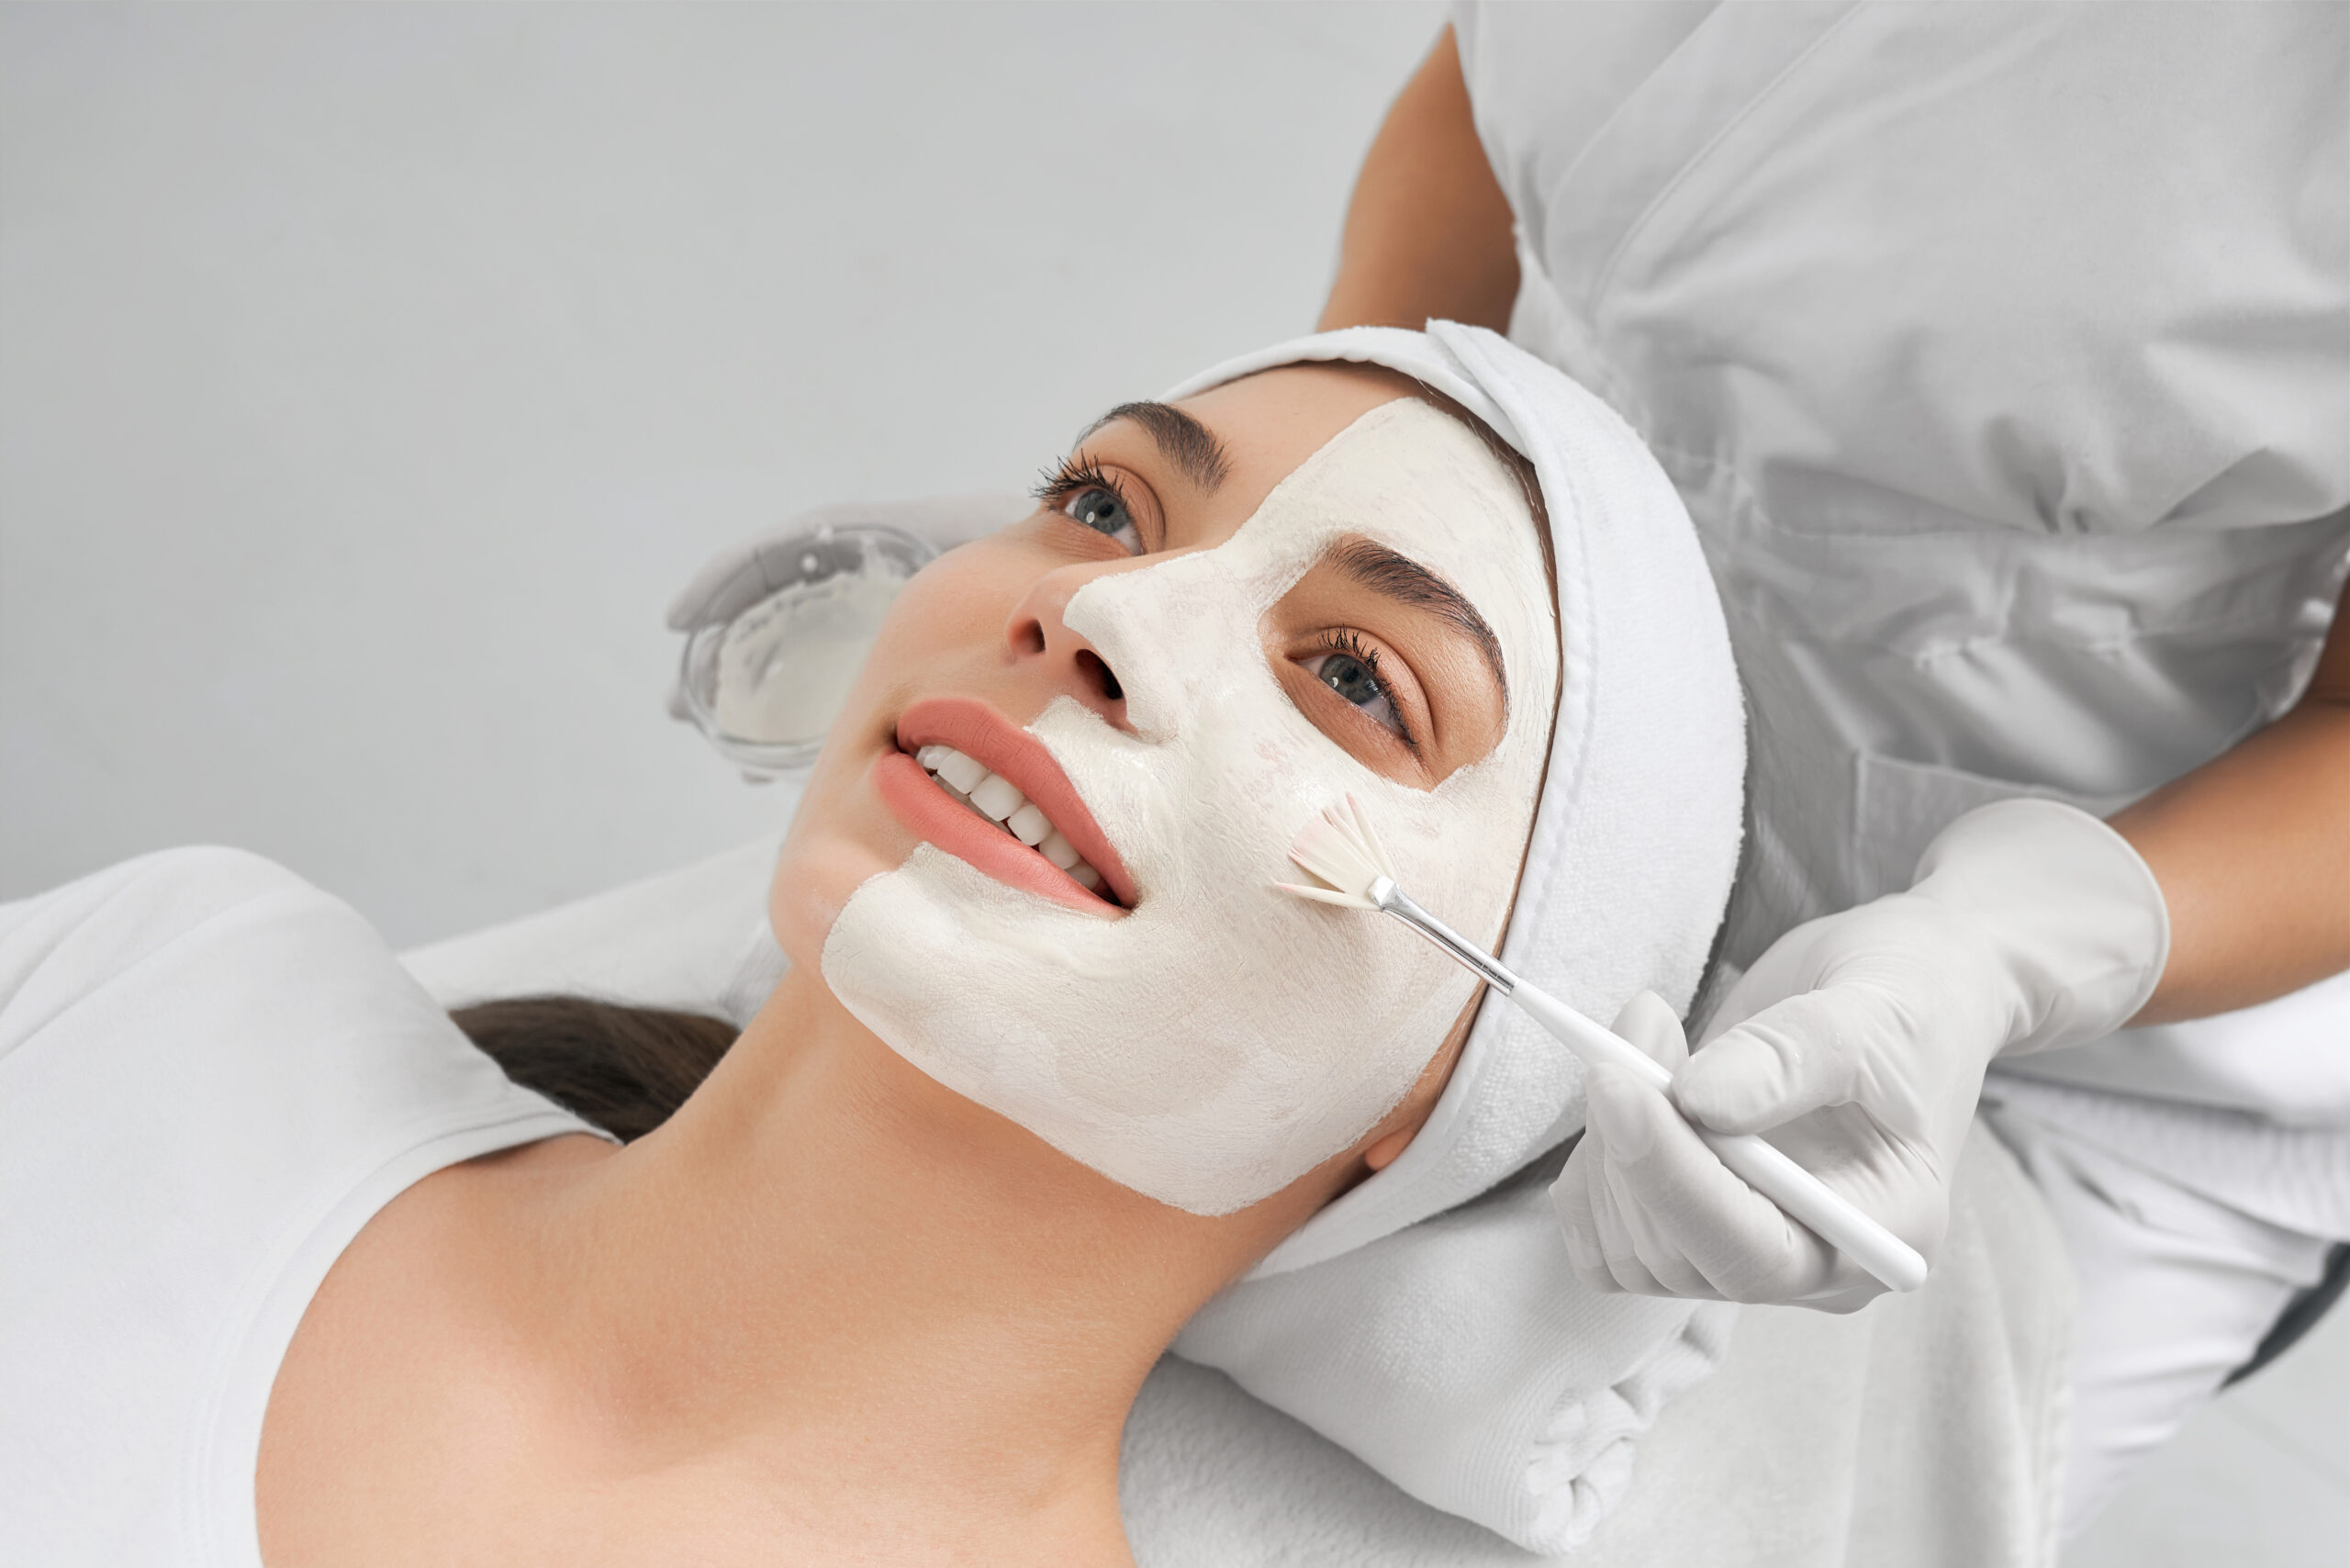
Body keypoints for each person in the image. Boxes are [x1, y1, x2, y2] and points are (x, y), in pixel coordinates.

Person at [1, 337, 1754, 1563]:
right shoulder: (175, 999)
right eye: (1105, 506)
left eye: (1357, 677)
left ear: (1459, 1073)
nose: (1098, 607)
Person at [1317, 4, 2349, 1530]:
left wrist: (1995, 956)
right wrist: (1317, 502)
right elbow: (1493, 99)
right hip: (1497, 787)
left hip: (2085, 1049)